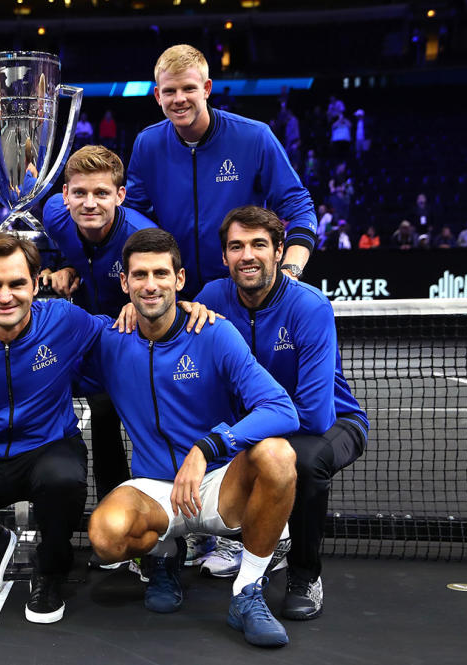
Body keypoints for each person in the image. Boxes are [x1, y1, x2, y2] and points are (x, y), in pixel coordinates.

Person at [0, 234, 214, 623]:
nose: (5, 296)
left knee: (63, 480)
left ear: (35, 284)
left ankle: (50, 571)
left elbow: (128, 328)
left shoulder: (64, 320)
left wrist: (178, 308)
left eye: (17, 284)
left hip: (50, 447)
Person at [83, 228, 300, 647]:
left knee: (277, 456)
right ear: (124, 283)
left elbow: (280, 408)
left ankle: (247, 591)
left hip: (219, 482)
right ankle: (164, 555)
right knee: (106, 537)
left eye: (161, 274)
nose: (151, 285)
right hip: (154, 488)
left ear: (179, 280)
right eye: (140, 275)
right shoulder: (110, 341)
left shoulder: (214, 333)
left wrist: (207, 447)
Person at [195, 206, 368, 621]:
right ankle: (246, 536)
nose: (247, 255)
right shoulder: (212, 298)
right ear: (224, 257)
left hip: (332, 421)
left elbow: (312, 415)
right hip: (260, 424)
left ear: (279, 252)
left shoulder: (310, 308)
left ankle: (304, 573)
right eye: (236, 246)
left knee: (304, 462)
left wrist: (237, 438)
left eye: (259, 245)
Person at [125, 44, 316, 298]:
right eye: (170, 91)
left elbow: (300, 209)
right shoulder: (147, 144)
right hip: (175, 300)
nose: (179, 98)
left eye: (189, 88)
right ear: (158, 96)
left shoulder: (254, 137)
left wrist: (290, 272)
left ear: (206, 89)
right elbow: (130, 220)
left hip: (242, 297)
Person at [40, 145, 156, 521]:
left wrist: (142, 303)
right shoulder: (55, 216)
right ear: (65, 195)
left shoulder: (142, 239)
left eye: (102, 193)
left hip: (143, 343)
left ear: (120, 196)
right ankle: (116, 518)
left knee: (150, 429)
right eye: (80, 193)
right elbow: (64, 248)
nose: (90, 203)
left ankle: (165, 521)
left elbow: (172, 286)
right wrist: (60, 265)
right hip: (94, 342)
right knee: (103, 416)